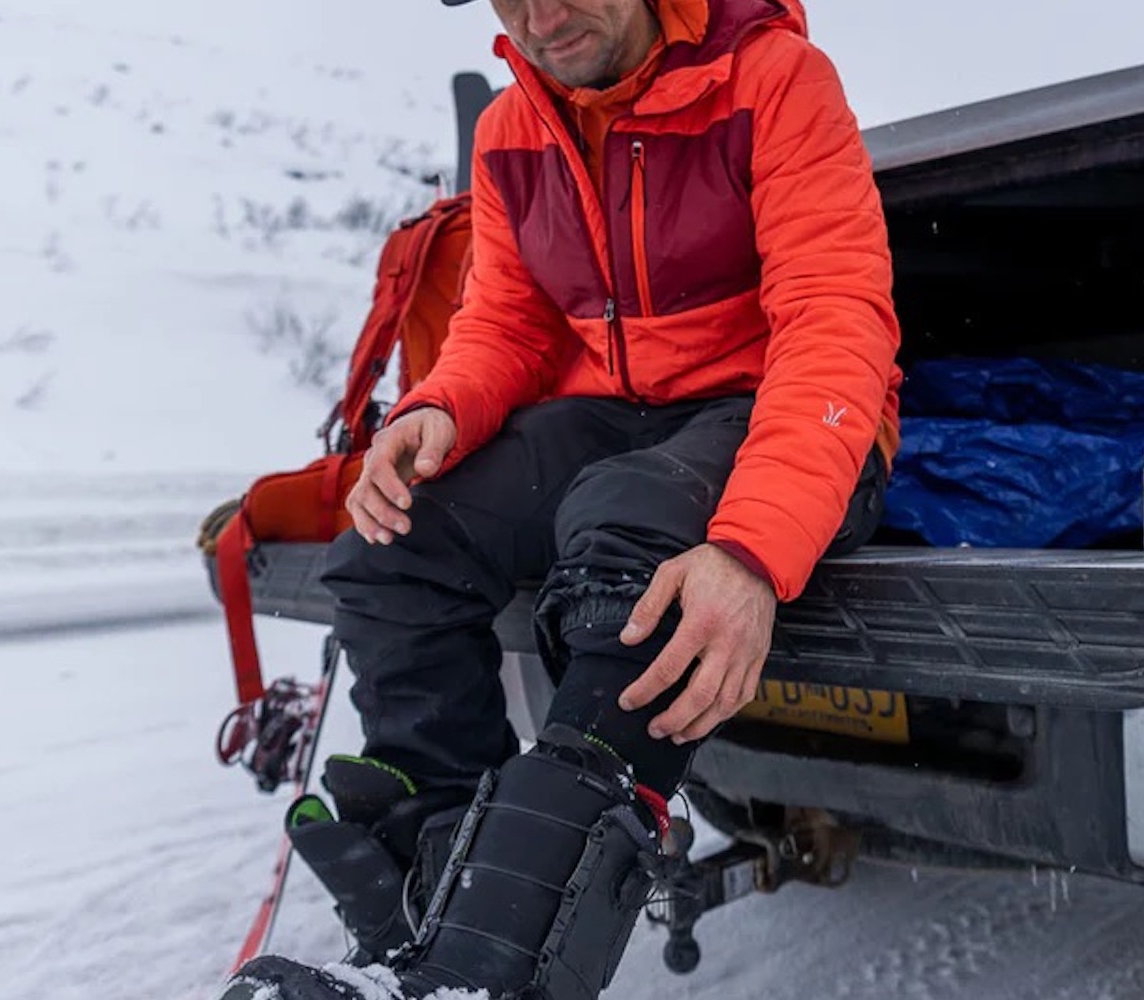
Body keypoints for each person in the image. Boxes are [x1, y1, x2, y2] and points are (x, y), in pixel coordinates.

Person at [220, 0, 901, 996]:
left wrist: (752, 552)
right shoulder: (513, 129)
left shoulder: (775, 82)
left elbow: (833, 319)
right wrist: (442, 406)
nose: (541, 12)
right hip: (620, 417)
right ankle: (429, 911)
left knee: (625, 522)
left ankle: (488, 973)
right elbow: (508, 320)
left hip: (787, 413)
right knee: (390, 545)